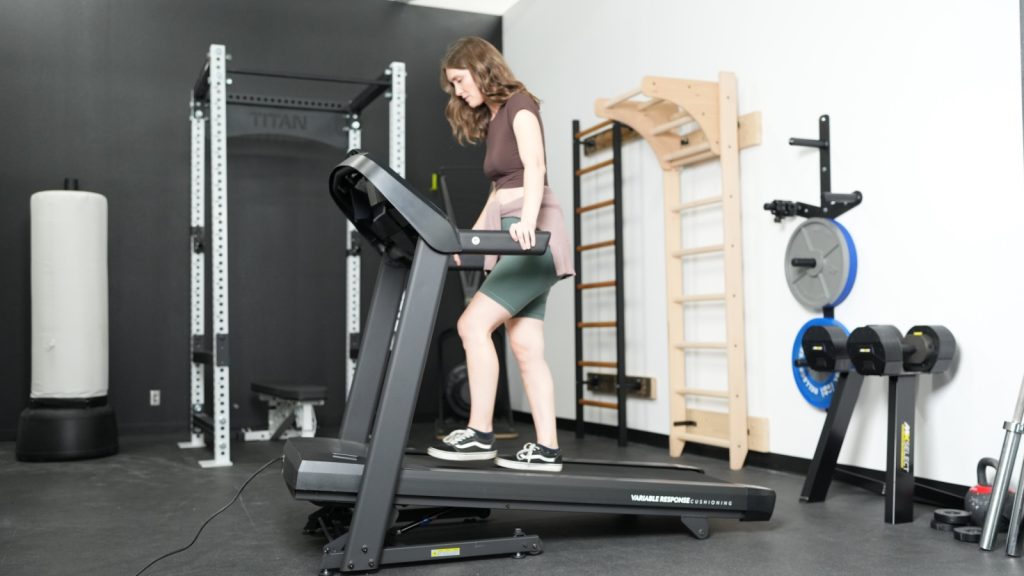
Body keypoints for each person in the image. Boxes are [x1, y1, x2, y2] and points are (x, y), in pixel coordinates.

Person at [427, 37, 574, 472]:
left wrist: (528, 222)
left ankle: (479, 432)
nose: (457, 91)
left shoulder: (520, 104)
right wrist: (468, 241)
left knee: (472, 324)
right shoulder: (494, 120)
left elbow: (535, 167)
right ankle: (547, 448)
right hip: (517, 232)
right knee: (526, 346)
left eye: (458, 80)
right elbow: (499, 192)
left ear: (478, 67)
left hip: (531, 237)